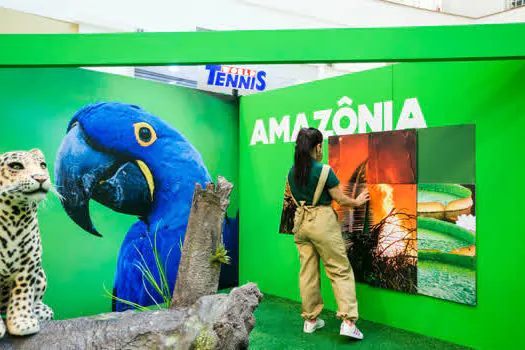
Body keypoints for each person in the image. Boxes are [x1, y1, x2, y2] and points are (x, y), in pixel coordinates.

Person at [287, 127, 370, 340]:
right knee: (339, 269)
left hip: (301, 223)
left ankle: (310, 320)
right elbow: (341, 199)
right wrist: (358, 201)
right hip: (322, 222)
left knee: (308, 272)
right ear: (317, 146)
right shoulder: (324, 171)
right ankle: (349, 322)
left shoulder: (291, 171)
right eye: (320, 145)